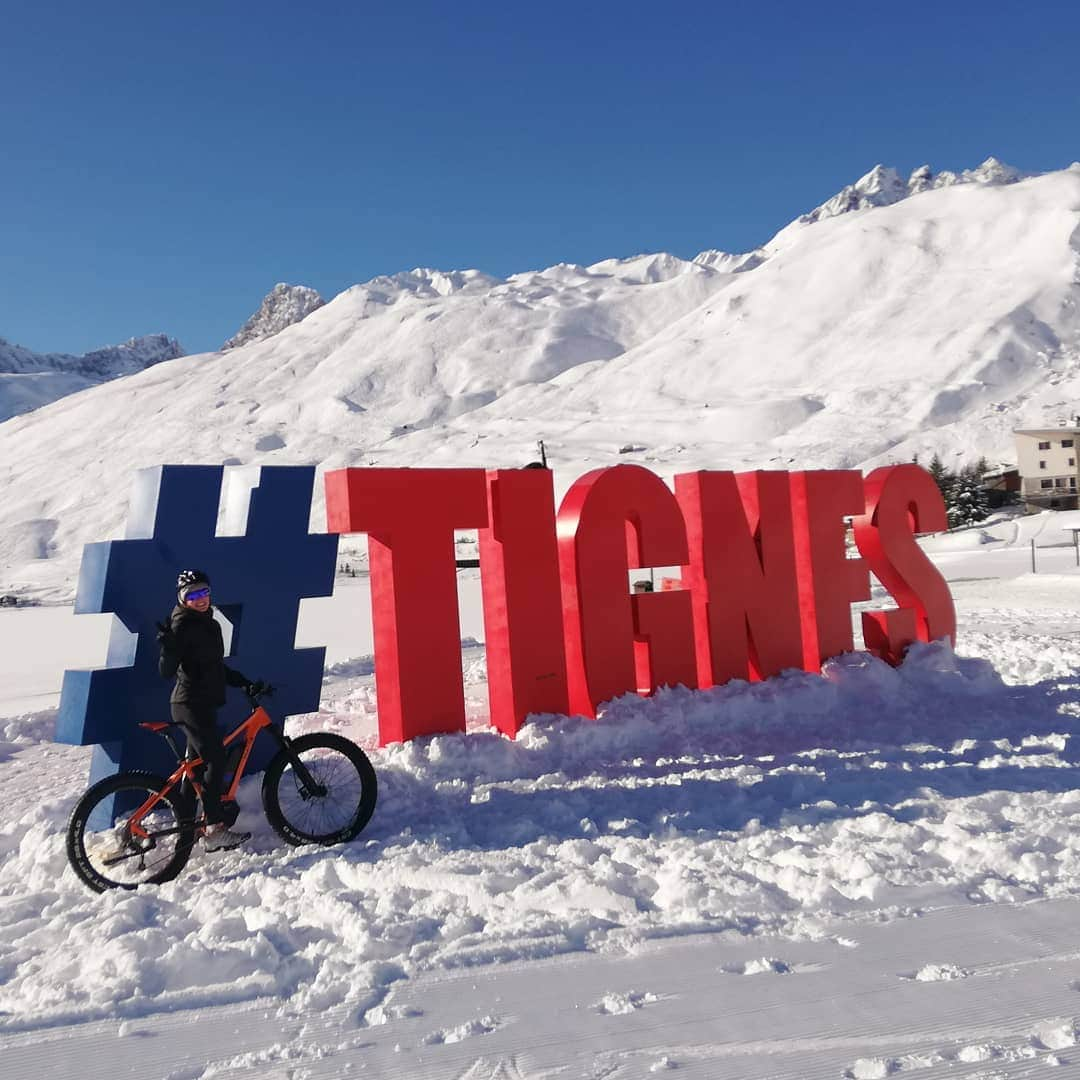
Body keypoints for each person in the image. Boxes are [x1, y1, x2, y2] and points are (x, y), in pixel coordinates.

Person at [157, 569, 258, 852]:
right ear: (183, 599)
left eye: (204, 592)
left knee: (196, 769)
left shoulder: (209, 624)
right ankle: (214, 828)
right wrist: (168, 649)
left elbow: (214, 667)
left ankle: (187, 829)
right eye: (193, 595)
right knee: (215, 759)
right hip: (189, 704)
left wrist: (243, 682)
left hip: (202, 703)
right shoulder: (182, 625)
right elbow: (166, 671)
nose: (201, 599)